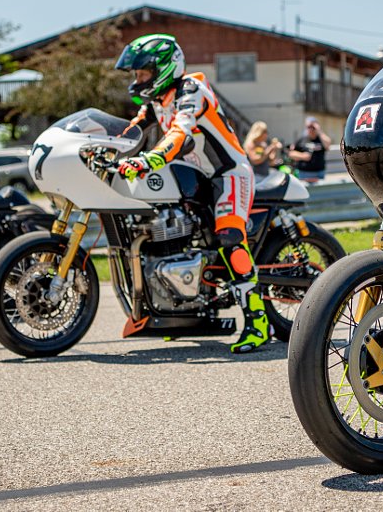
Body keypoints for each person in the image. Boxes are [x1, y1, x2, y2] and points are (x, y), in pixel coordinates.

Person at [114, 34, 268, 354]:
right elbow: (131, 130)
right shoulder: (156, 100)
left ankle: (258, 321)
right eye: (137, 75)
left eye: (143, 73)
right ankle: (179, 310)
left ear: (164, 69)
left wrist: (150, 160)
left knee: (228, 238)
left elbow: (179, 131)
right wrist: (102, 149)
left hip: (227, 173)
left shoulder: (191, 89)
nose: (138, 80)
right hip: (194, 176)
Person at [289, 116, 332, 183]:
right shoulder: (302, 139)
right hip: (304, 173)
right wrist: (302, 156)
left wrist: (319, 131)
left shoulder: (321, 138)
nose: (311, 129)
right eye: (309, 127)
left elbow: (328, 144)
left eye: (313, 127)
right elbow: (291, 153)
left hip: (319, 173)